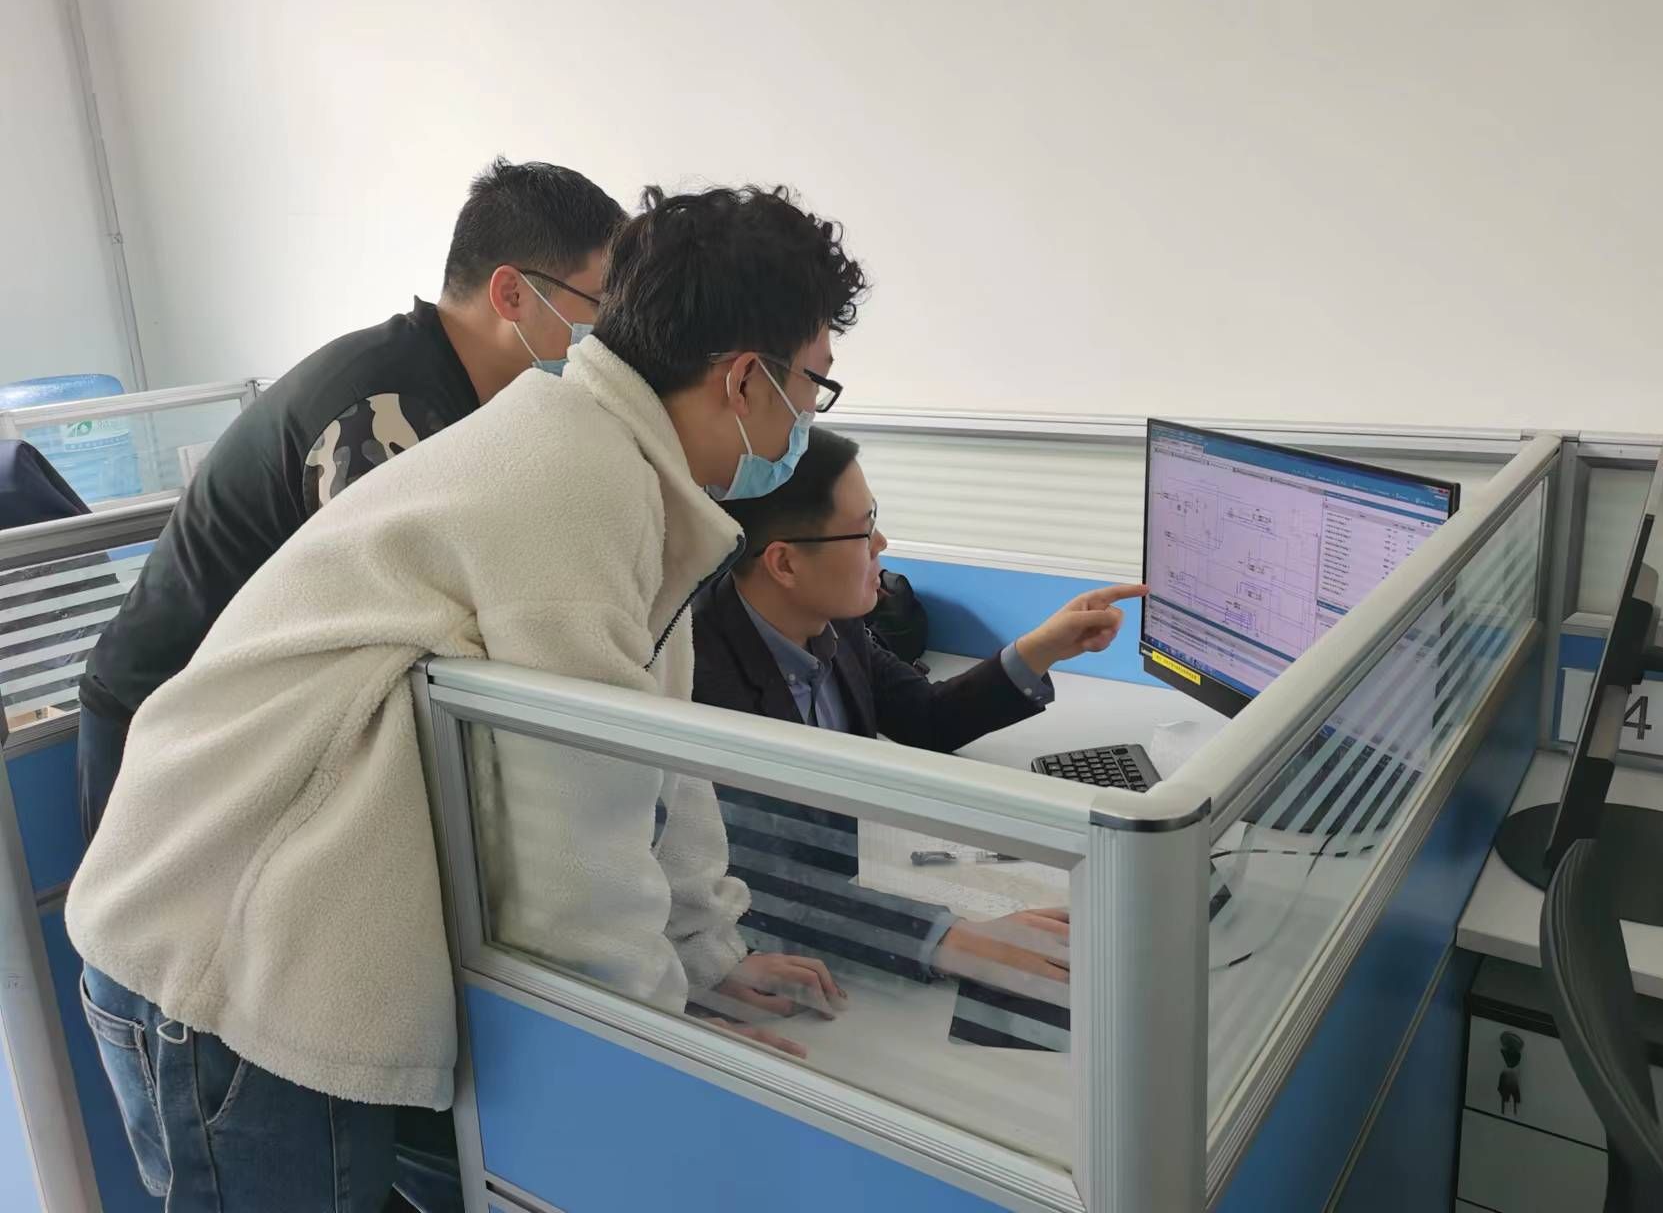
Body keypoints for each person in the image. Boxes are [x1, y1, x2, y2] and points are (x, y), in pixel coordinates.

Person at [65, 183, 867, 1212]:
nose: (808, 419)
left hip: (269, 939)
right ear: (746, 377)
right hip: (223, 961)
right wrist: (662, 1059)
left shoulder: (608, 456)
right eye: (813, 384)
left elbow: (653, 746)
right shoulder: (575, 480)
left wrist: (706, 951)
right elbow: (570, 847)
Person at [75, 156, 625, 843]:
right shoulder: (386, 411)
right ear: (511, 293)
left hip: (238, 723)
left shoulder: (448, 389)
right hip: (165, 728)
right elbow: (386, 633)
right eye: (599, 301)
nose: (607, 329)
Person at [694, 425, 1146, 1002]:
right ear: (785, 563)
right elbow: (752, 874)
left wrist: (1044, 647)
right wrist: (944, 938)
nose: (881, 543)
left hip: (852, 879)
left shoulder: (834, 620)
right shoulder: (698, 672)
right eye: (863, 530)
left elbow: (925, 718)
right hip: (778, 946)